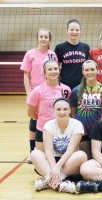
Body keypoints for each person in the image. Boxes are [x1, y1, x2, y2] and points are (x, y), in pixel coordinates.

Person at [30, 98, 87, 194]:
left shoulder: (77, 124)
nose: (62, 112)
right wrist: (54, 168)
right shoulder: (48, 125)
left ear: (69, 110)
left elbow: (70, 150)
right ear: (54, 111)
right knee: (34, 153)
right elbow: (48, 151)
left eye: (65, 109)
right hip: (52, 161)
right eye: (58, 109)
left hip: (69, 161)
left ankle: (49, 181)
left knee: (82, 155)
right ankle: (59, 183)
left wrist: (58, 167)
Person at [20, 28, 58, 164]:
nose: (43, 39)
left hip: (50, 91)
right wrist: (28, 94)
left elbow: (55, 72)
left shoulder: (52, 54)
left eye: (46, 37)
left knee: (49, 119)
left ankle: (51, 150)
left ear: (49, 39)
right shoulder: (30, 54)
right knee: (34, 121)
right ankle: (32, 152)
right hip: (36, 92)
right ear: (37, 38)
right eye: (41, 36)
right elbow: (25, 75)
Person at [27, 59, 71, 151]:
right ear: (44, 72)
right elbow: (31, 113)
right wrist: (44, 119)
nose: (53, 71)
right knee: (42, 160)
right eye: (50, 69)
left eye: (55, 69)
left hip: (62, 130)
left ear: (59, 70)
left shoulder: (66, 90)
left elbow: (69, 111)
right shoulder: (37, 91)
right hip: (43, 129)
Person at [70, 60, 102, 159]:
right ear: (83, 72)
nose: (89, 72)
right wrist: (78, 126)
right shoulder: (76, 91)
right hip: (83, 131)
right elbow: (73, 112)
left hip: (100, 130)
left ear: (97, 70)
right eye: (86, 70)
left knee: (98, 158)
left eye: (92, 69)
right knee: (85, 158)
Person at [55, 19, 90, 90]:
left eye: (77, 30)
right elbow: (56, 67)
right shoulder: (59, 47)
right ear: (67, 31)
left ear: (80, 31)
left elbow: (88, 67)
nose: (74, 32)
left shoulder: (86, 47)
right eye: (71, 29)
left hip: (82, 85)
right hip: (65, 85)